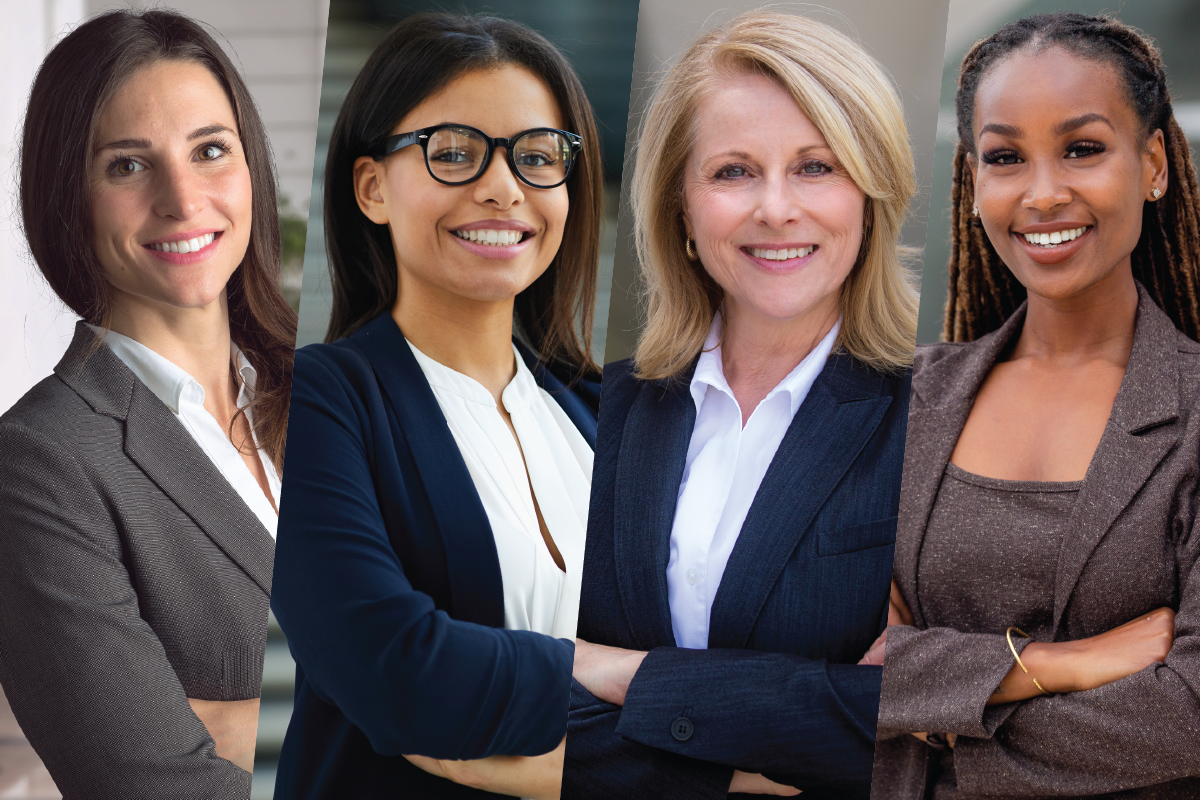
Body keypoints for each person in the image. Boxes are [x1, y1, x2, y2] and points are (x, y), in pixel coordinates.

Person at [564, 11, 920, 799]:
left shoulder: (940, 424)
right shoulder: (586, 414)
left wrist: (621, 672)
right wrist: (762, 759)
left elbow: (916, 733)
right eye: (732, 172)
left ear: (871, 192)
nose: (776, 208)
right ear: (681, 208)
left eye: (816, 167)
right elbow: (506, 687)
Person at [269, 13, 604, 800]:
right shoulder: (314, 405)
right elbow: (401, 675)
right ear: (372, 187)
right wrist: (641, 689)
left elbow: (732, 674)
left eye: (538, 156)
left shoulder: (604, 413)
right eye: (453, 153)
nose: (503, 187)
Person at [873, 13, 1200, 799]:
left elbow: (1188, 713)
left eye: (1083, 149)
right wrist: (1061, 665)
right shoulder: (903, 399)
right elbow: (831, 656)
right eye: (1006, 157)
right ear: (974, 179)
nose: (1043, 192)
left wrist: (933, 731)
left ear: (1151, 163)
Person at [0, 9, 296, 798]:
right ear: (70, 194)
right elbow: (153, 786)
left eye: (210, 151)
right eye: (128, 166)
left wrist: (264, 727)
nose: (182, 198)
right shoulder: (40, 464)